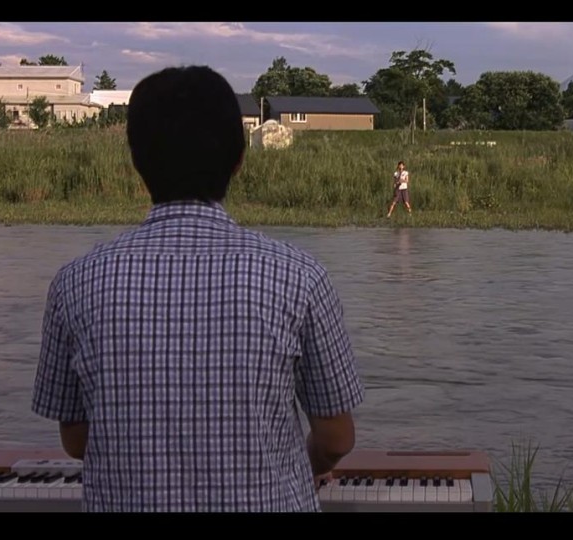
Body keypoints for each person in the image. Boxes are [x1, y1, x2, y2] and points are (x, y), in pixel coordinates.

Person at [30, 65, 364, 512]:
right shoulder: (300, 277)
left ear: (136, 162)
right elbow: (336, 438)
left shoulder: (76, 282)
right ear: (239, 160)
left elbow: (76, 441)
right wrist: (307, 464)